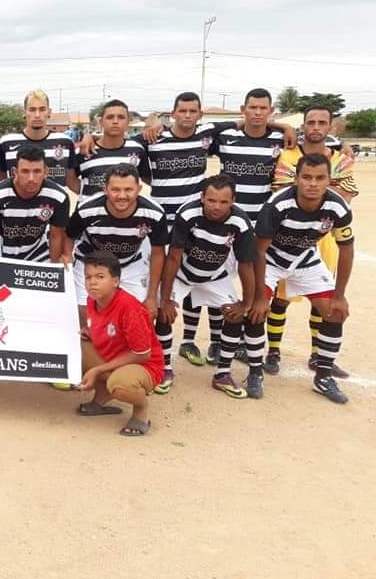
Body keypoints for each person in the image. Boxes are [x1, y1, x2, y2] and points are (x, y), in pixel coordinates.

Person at [137, 92, 297, 366]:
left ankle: (215, 342)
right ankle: (182, 342)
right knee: (181, 278)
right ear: (173, 113)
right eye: (182, 111)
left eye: (193, 111)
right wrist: (151, 123)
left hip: (213, 220)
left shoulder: (209, 133)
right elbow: (132, 158)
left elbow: (247, 122)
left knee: (213, 275)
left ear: (200, 115)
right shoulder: (153, 138)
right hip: (169, 224)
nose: (187, 116)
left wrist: (286, 126)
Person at [247, 154, 354, 403]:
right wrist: (261, 296)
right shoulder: (278, 205)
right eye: (306, 177)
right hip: (271, 260)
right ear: (296, 179)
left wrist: (339, 296)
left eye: (319, 178)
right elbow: (258, 251)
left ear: (329, 180)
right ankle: (254, 372)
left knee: (335, 312)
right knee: (256, 310)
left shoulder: (338, 207)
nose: (313, 184)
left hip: (305, 259)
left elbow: (346, 250)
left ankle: (323, 376)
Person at [265, 105, 357, 378]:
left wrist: (308, 187)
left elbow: (347, 195)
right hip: (286, 236)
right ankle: (273, 352)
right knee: (279, 299)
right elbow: (282, 190)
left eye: (322, 123)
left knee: (321, 298)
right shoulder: (288, 155)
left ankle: (318, 355)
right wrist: (329, 186)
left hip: (324, 237)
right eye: (311, 122)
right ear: (303, 126)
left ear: (331, 127)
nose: (316, 127)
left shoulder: (342, 158)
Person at [66, 164, 169, 389]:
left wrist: (152, 295)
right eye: (115, 189)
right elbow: (69, 236)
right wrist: (66, 258)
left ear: (139, 189)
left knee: (139, 314)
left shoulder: (154, 212)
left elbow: (159, 253)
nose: (122, 196)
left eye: (128, 190)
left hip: (130, 264)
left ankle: (136, 368)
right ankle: (89, 368)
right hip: (91, 263)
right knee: (85, 317)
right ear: (105, 189)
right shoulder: (86, 209)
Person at [158, 175, 256, 398]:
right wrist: (165, 298)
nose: (216, 207)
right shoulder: (188, 213)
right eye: (211, 200)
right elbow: (173, 257)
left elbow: (246, 263)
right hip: (183, 274)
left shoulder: (240, 222)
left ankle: (222, 374)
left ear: (233, 201)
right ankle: (164, 369)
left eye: (223, 202)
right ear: (202, 198)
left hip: (214, 276)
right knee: (163, 314)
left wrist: (246, 303)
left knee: (234, 315)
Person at [76, 250, 164, 437]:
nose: (92, 282)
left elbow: (142, 354)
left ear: (115, 281)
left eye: (100, 277)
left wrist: (97, 370)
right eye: (88, 277)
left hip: (144, 365)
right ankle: (101, 398)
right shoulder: (93, 301)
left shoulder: (130, 309)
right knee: (75, 346)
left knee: (121, 385)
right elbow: (108, 327)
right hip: (115, 358)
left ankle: (141, 410)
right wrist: (89, 332)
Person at [0, 146, 71, 263]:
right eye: (25, 171)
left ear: (46, 172)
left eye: (37, 171)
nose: (31, 178)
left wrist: (54, 268)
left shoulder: (59, 196)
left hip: (39, 254)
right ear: (15, 172)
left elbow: (56, 235)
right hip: (3, 254)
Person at [69, 99, 149, 203]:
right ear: (101, 121)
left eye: (121, 117)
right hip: (89, 215)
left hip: (124, 215)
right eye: (110, 117)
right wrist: (88, 196)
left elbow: (146, 178)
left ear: (128, 122)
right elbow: (70, 180)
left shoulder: (137, 149)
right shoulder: (85, 149)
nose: (115, 121)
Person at [0, 90, 78, 188]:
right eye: (32, 109)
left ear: (49, 112)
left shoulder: (65, 142)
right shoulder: (6, 143)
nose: (37, 115)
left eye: (42, 109)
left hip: (54, 202)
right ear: (24, 112)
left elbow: (72, 181)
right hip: (17, 203)